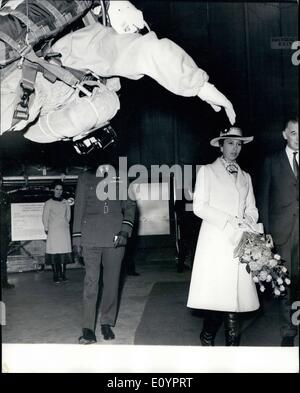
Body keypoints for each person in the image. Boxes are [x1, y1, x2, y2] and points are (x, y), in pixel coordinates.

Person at [0, 1, 236, 143]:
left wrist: (200, 86)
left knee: (106, 103)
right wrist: (202, 87)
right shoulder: (93, 42)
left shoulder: (82, 41)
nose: (132, 33)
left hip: (27, 91)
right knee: (106, 103)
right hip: (22, 89)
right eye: (130, 30)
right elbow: (149, 51)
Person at [187, 127, 261, 346]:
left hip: (240, 242)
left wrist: (247, 219)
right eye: (230, 143)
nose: (235, 149)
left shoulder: (246, 176)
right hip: (215, 241)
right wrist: (229, 219)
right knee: (217, 296)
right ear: (221, 145)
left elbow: (252, 208)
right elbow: (199, 207)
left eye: (238, 144)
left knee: (235, 298)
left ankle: (231, 351)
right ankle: (208, 336)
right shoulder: (207, 172)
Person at [72, 161, 136, 344]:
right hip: (90, 237)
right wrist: (77, 239)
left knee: (111, 283)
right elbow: (79, 209)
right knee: (91, 282)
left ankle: (106, 321)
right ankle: (88, 328)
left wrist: (125, 230)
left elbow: (130, 206)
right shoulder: (84, 178)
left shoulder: (121, 177)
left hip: (116, 238)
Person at [258, 116, 299, 347]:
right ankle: (289, 331)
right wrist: (266, 231)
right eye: (293, 133)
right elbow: (263, 198)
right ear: (285, 134)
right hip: (282, 232)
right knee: (286, 282)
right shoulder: (271, 161)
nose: (298, 138)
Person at [42, 180, 73, 284]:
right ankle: (55, 276)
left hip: (64, 231)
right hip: (53, 231)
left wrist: (64, 224)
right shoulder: (48, 203)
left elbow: (68, 216)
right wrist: (47, 228)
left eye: (61, 189)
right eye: (57, 189)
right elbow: (45, 217)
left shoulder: (65, 203)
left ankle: (63, 275)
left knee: (64, 252)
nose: (59, 191)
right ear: (53, 190)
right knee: (54, 253)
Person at [0, 186, 14, 289]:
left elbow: (9, 215)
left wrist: (10, 231)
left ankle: (4, 282)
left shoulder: (5, 196)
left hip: (3, 232)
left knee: (3, 259)